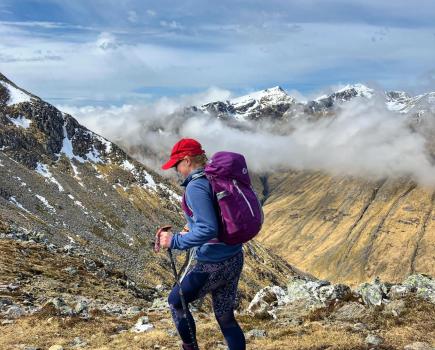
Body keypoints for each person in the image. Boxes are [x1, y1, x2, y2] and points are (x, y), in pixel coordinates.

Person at [159, 138, 246, 350]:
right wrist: (191, 227)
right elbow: (214, 217)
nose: (176, 170)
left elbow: (208, 229)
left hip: (212, 263)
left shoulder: (196, 187)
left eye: (177, 165)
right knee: (225, 317)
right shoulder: (215, 178)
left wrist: (175, 241)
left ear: (187, 161)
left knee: (176, 302)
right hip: (234, 256)